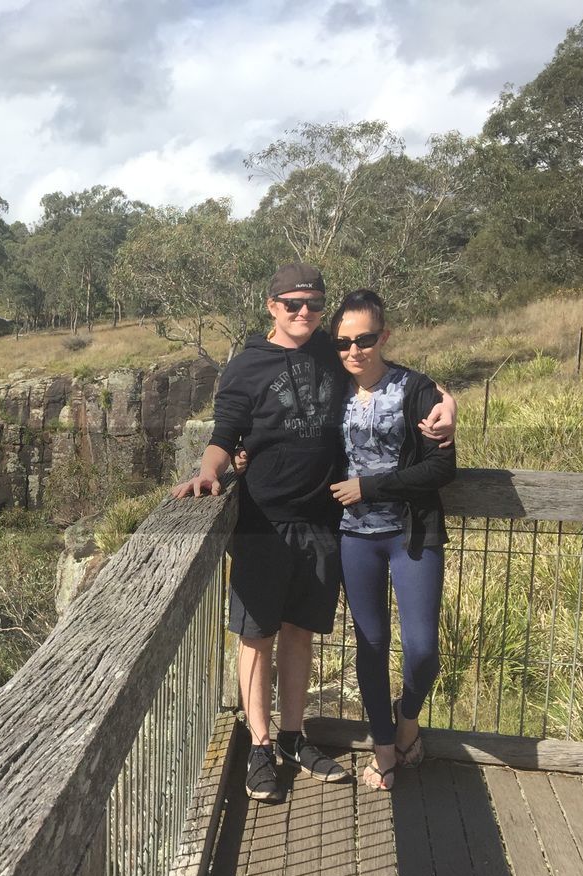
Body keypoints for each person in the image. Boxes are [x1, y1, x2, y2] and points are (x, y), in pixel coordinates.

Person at [173, 264, 455, 804]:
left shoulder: (332, 350)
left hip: (323, 521)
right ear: (271, 305)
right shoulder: (246, 365)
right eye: (293, 304)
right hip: (263, 520)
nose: (304, 313)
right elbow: (224, 431)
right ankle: (258, 744)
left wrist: (448, 402)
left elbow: (398, 376)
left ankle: (293, 737)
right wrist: (210, 470)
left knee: (299, 633)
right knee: (257, 638)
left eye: (314, 304)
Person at [328, 290, 455, 791]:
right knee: (371, 643)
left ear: (383, 336)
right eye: (343, 341)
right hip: (354, 538)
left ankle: (408, 717)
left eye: (363, 339)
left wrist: (371, 486)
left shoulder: (415, 389)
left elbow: (442, 466)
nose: (353, 350)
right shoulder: (333, 389)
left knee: (422, 648)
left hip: (411, 534)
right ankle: (385, 748)